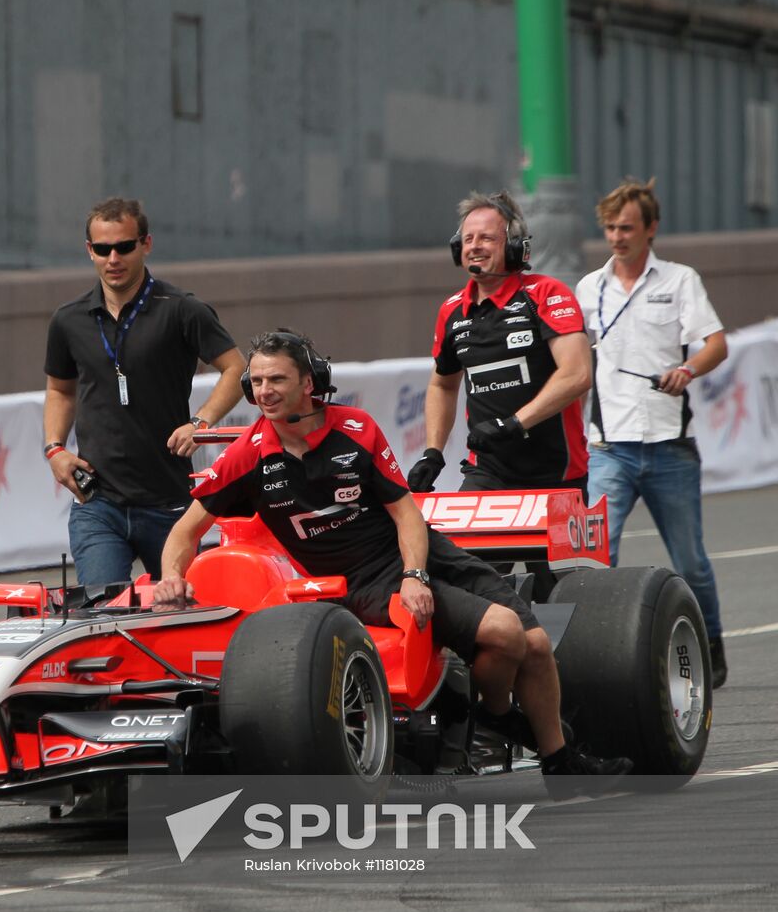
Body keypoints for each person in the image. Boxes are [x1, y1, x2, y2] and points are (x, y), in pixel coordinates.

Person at [152, 329, 633, 796]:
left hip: (421, 552)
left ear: (307, 382)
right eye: (256, 382)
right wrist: (172, 577)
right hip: (359, 582)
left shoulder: (356, 429)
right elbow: (184, 533)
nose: (264, 392)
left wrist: (415, 575)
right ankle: (494, 715)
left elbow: (406, 513)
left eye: (276, 380)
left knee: (534, 642)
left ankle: (555, 759)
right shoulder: (246, 457)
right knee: (505, 633)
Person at [43, 197, 245, 586]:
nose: (113, 258)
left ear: (146, 244)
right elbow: (59, 390)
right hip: (98, 503)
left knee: (182, 615)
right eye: (102, 249)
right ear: (90, 251)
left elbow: (236, 369)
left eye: (124, 247)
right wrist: (54, 448)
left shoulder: (181, 309)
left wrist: (200, 423)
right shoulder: (68, 320)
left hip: (171, 503)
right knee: (101, 617)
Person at [577, 178, 729, 687]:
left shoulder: (680, 280)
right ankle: (598, 657)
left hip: (669, 446)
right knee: (597, 559)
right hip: (608, 449)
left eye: (626, 227)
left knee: (691, 561)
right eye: (610, 228)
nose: (617, 237)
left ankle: (709, 641)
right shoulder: (588, 288)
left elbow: (715, 344)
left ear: (651, 229)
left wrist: (687, 370)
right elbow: (575, 363)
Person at [406, 191, 593, 496]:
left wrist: (514, 424)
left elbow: (578, 373)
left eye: (487, 238)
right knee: (463, 544)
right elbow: (442, 385)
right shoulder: (451, 311)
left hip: (558, 474)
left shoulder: (546, 294)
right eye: (468, 239)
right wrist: (433, 453)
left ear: (515, 246)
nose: (475, 246)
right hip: (486, 471)